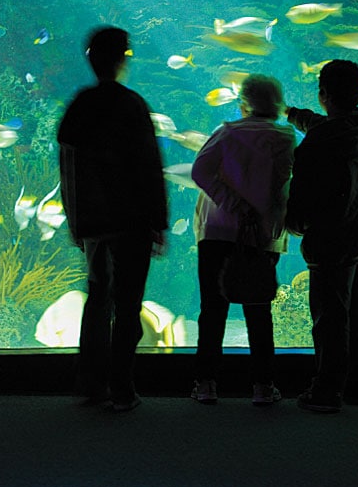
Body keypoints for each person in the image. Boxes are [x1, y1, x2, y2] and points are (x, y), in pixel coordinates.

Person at [57, 26, 168, 412]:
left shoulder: (80, 106)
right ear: (123, 59)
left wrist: (75, 220)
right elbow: (150, 167)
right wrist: (159, 220)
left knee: (98, 299)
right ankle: (122, 387)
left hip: (93, 223)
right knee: (127, 304)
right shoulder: (132, 105)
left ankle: (90, 385)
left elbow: (68, 166)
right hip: (132, 222)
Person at [190, 74, 296, 406]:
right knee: (258, 309)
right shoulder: (285, 138)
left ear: (243, 105)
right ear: (278, 106)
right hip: (260, 237)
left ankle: (206, 384)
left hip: (218, 231)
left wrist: (234, 204)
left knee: (213, 309)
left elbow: (200, 172)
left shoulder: (226, 133)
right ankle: (263, 387)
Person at [284, 59, 358, 413]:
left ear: (323, 94)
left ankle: (326, 390)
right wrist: (293, 114)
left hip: (330, 242)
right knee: (357, 312)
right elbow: (329, 127)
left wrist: (293, 226)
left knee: (330, 318)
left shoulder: (314, 145)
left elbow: (302, 199)